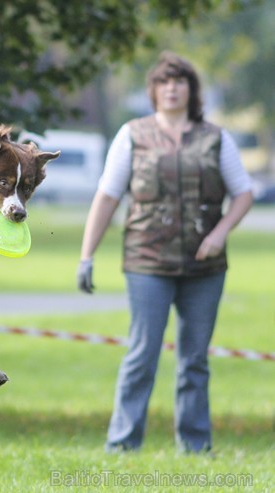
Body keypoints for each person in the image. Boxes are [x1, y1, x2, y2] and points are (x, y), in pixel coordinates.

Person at [76, 51, 253, 453]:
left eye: (180, 81)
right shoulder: (132, 134)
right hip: (146, 262)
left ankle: (195, 446)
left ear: (192, 90)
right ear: (153, 90)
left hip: (205, 265)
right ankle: (122, 445)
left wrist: (221, 233)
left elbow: (244, 193)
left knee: (195, 359)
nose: (172, 87)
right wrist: (87, 256)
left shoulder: (216, 138)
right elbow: (107, 196)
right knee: (142, 354)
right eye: (163, 81)